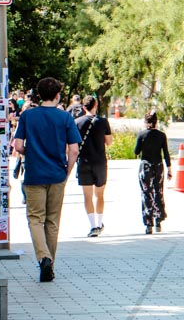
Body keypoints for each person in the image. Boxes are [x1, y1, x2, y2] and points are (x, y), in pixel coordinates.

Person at [11, 78, 81, 283]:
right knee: (52, 221)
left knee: (35, 218)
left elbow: (18, 145)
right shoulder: (65, 118)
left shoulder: (28, 116)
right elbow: (74, 150)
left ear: (39, 95)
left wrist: (31, 152)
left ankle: (43, 257)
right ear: (58, 95)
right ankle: (50, 262)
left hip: (34, 174)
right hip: (57, 174)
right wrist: (66, 173)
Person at [74, 96, 112, 238]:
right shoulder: (103, 122)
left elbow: (72, 145)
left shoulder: (77, 122)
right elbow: (109, 142)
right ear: (95, 105)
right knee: (100, 195)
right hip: (100, 162)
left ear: (84, 107)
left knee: (87, 196)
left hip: (84, 162)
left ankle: (93, 225)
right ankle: (100, 222)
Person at [134, 111, 172, 235]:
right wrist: (169, 169)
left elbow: (136, 151)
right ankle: (158, 221)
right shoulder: (161, 135)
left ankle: (148, 224)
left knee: (146, 193)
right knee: (158, 192)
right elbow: (165, 153)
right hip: (159, 166)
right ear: (156, 122)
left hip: (146, 166)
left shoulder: (142, 135)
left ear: (145, 122)